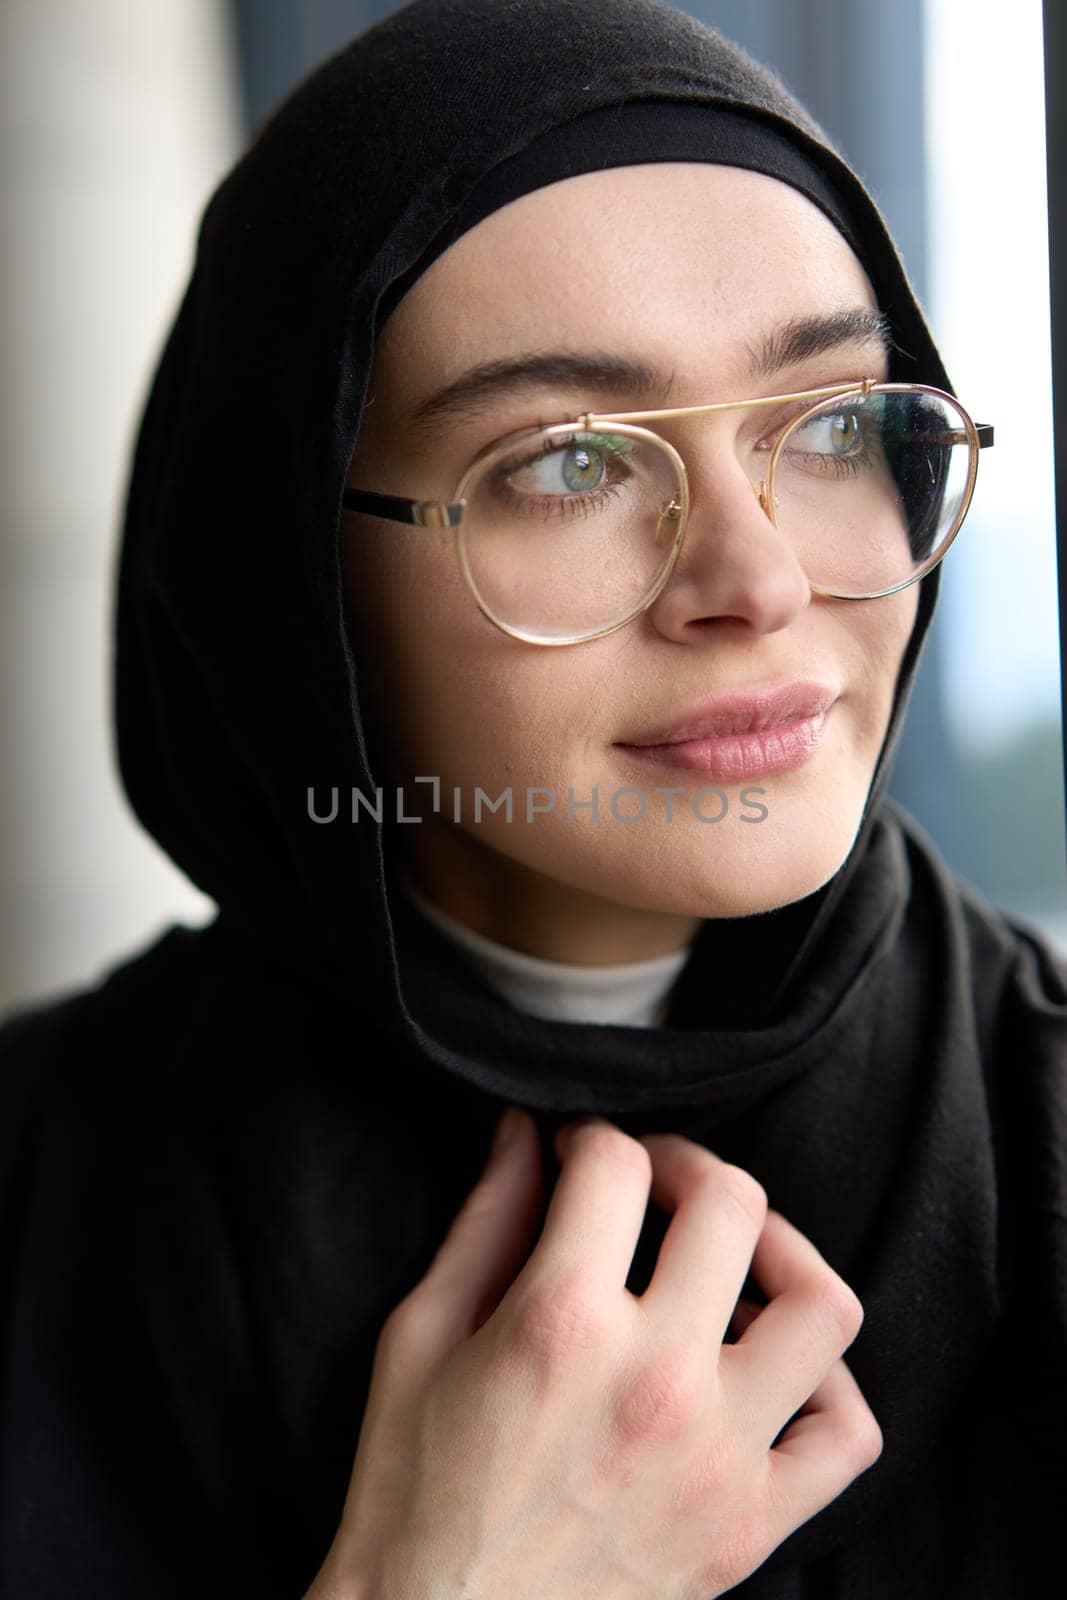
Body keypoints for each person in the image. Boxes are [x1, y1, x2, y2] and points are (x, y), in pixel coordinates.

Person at [1, 1, 1064, 1595]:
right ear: (290, 575)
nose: (758, 581)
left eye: (835, 423)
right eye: (570, 461)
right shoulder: (34, 1190)